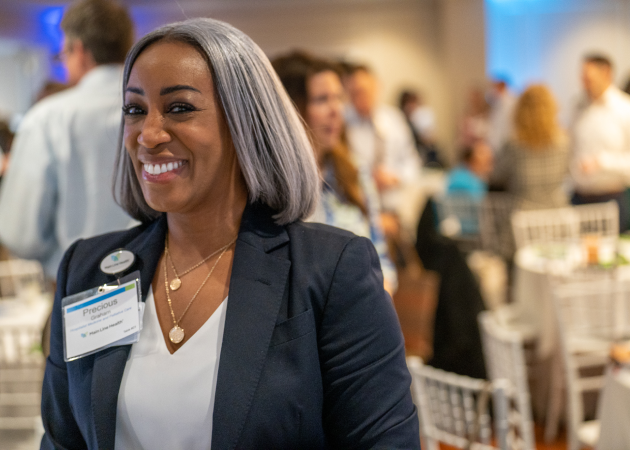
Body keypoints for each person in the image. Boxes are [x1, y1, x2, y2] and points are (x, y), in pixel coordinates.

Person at [40, 18, 420, 450]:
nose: (149, 134)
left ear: (245, 123)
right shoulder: (86, 272)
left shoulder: (330, 271)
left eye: (179, 108)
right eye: (134, 109)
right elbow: (62, 440)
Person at [0, 0, 136, 280]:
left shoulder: (48, 119)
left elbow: (21, 234)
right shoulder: (155, 113)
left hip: (77, 286)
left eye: (63, 55)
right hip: (155, 285)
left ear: (79, 50)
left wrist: (66, 258)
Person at [272, 51, 397, 294]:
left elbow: (382, 260)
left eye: (339, 98)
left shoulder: (354, 172)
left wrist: (381, 300)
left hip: (365, 314)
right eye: (321, 99)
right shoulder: (271, 188)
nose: (336, 110)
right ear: (290, 108)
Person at [344, 65, 421, 208]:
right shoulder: (343, 125)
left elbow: (412, 163)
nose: (361, 97)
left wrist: (395, 177)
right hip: (360, 205)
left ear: (376, 87)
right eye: (355, 93)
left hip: (393, 203)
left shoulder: (394, 119)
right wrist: (368, 180)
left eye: (365, 91)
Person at [571, 53, 630, 230]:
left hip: (611, 199)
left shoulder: (624, 109)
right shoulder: (578, 107)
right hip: (579, 198)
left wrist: (602, 162)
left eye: (588, 78)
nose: (584, 84)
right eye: (583, 78)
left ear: (606, 73)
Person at [492, 84, 569, 210]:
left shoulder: (513, 146)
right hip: (556, 214)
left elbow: (498, 177)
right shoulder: (563, 143)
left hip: (524, 217)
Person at [399, 89, 442, 167]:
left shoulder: (418, 121)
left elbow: (430, 140)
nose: (414, 107)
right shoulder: (399, 123)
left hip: (424, 158)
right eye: (411, 103)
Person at [487, 76, 517, 155]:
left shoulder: (511, 102)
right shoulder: (497, 103)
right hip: (497, 142)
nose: (492, 91)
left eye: (495, 87)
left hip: (506, 140)